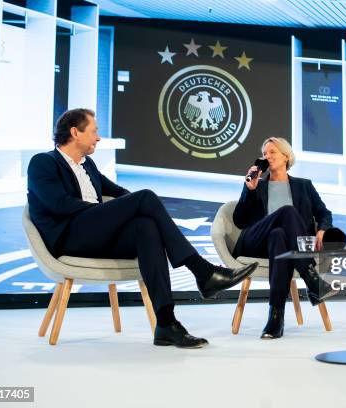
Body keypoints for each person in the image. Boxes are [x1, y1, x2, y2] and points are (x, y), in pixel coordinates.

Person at [27, 108, 257, 349]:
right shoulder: (43, 163)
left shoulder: (88, 165)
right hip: (69, 237)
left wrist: (124, 210)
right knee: (145, 197)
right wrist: (111, 212)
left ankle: (166, 324)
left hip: (96, 235)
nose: (98, 137)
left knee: (145, 227)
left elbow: (121, 194)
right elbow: (58, 204)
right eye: (94, 131)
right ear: (75, 132)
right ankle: (203, 271)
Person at [232, 137, 342, 339]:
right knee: (287, 212)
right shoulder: (257, 185)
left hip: (283, 245)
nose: (267, 156)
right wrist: (249, 190)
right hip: (256, 242)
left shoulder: (304, 186)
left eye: (272, 152)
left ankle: (276, 317)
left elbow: (324, 213)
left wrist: (322, 229)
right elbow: (239, 220)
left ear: (286, 156)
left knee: (279, 236)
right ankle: (312, 279)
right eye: (265, 153)